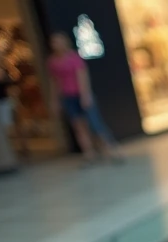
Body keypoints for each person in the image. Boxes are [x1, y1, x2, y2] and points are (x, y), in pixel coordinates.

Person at [47, 32, 123, 165]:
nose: (56, 45)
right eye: (54, 42)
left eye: (58, 41)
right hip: (68, 96)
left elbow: (82, 76)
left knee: (95, 124)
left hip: (80, 94)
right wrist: (55, 100)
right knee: (78, 126)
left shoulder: (74, 58)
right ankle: (89, 153)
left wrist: (85, 95)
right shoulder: (53, 62)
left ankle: (110, 149)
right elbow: (54, 82)